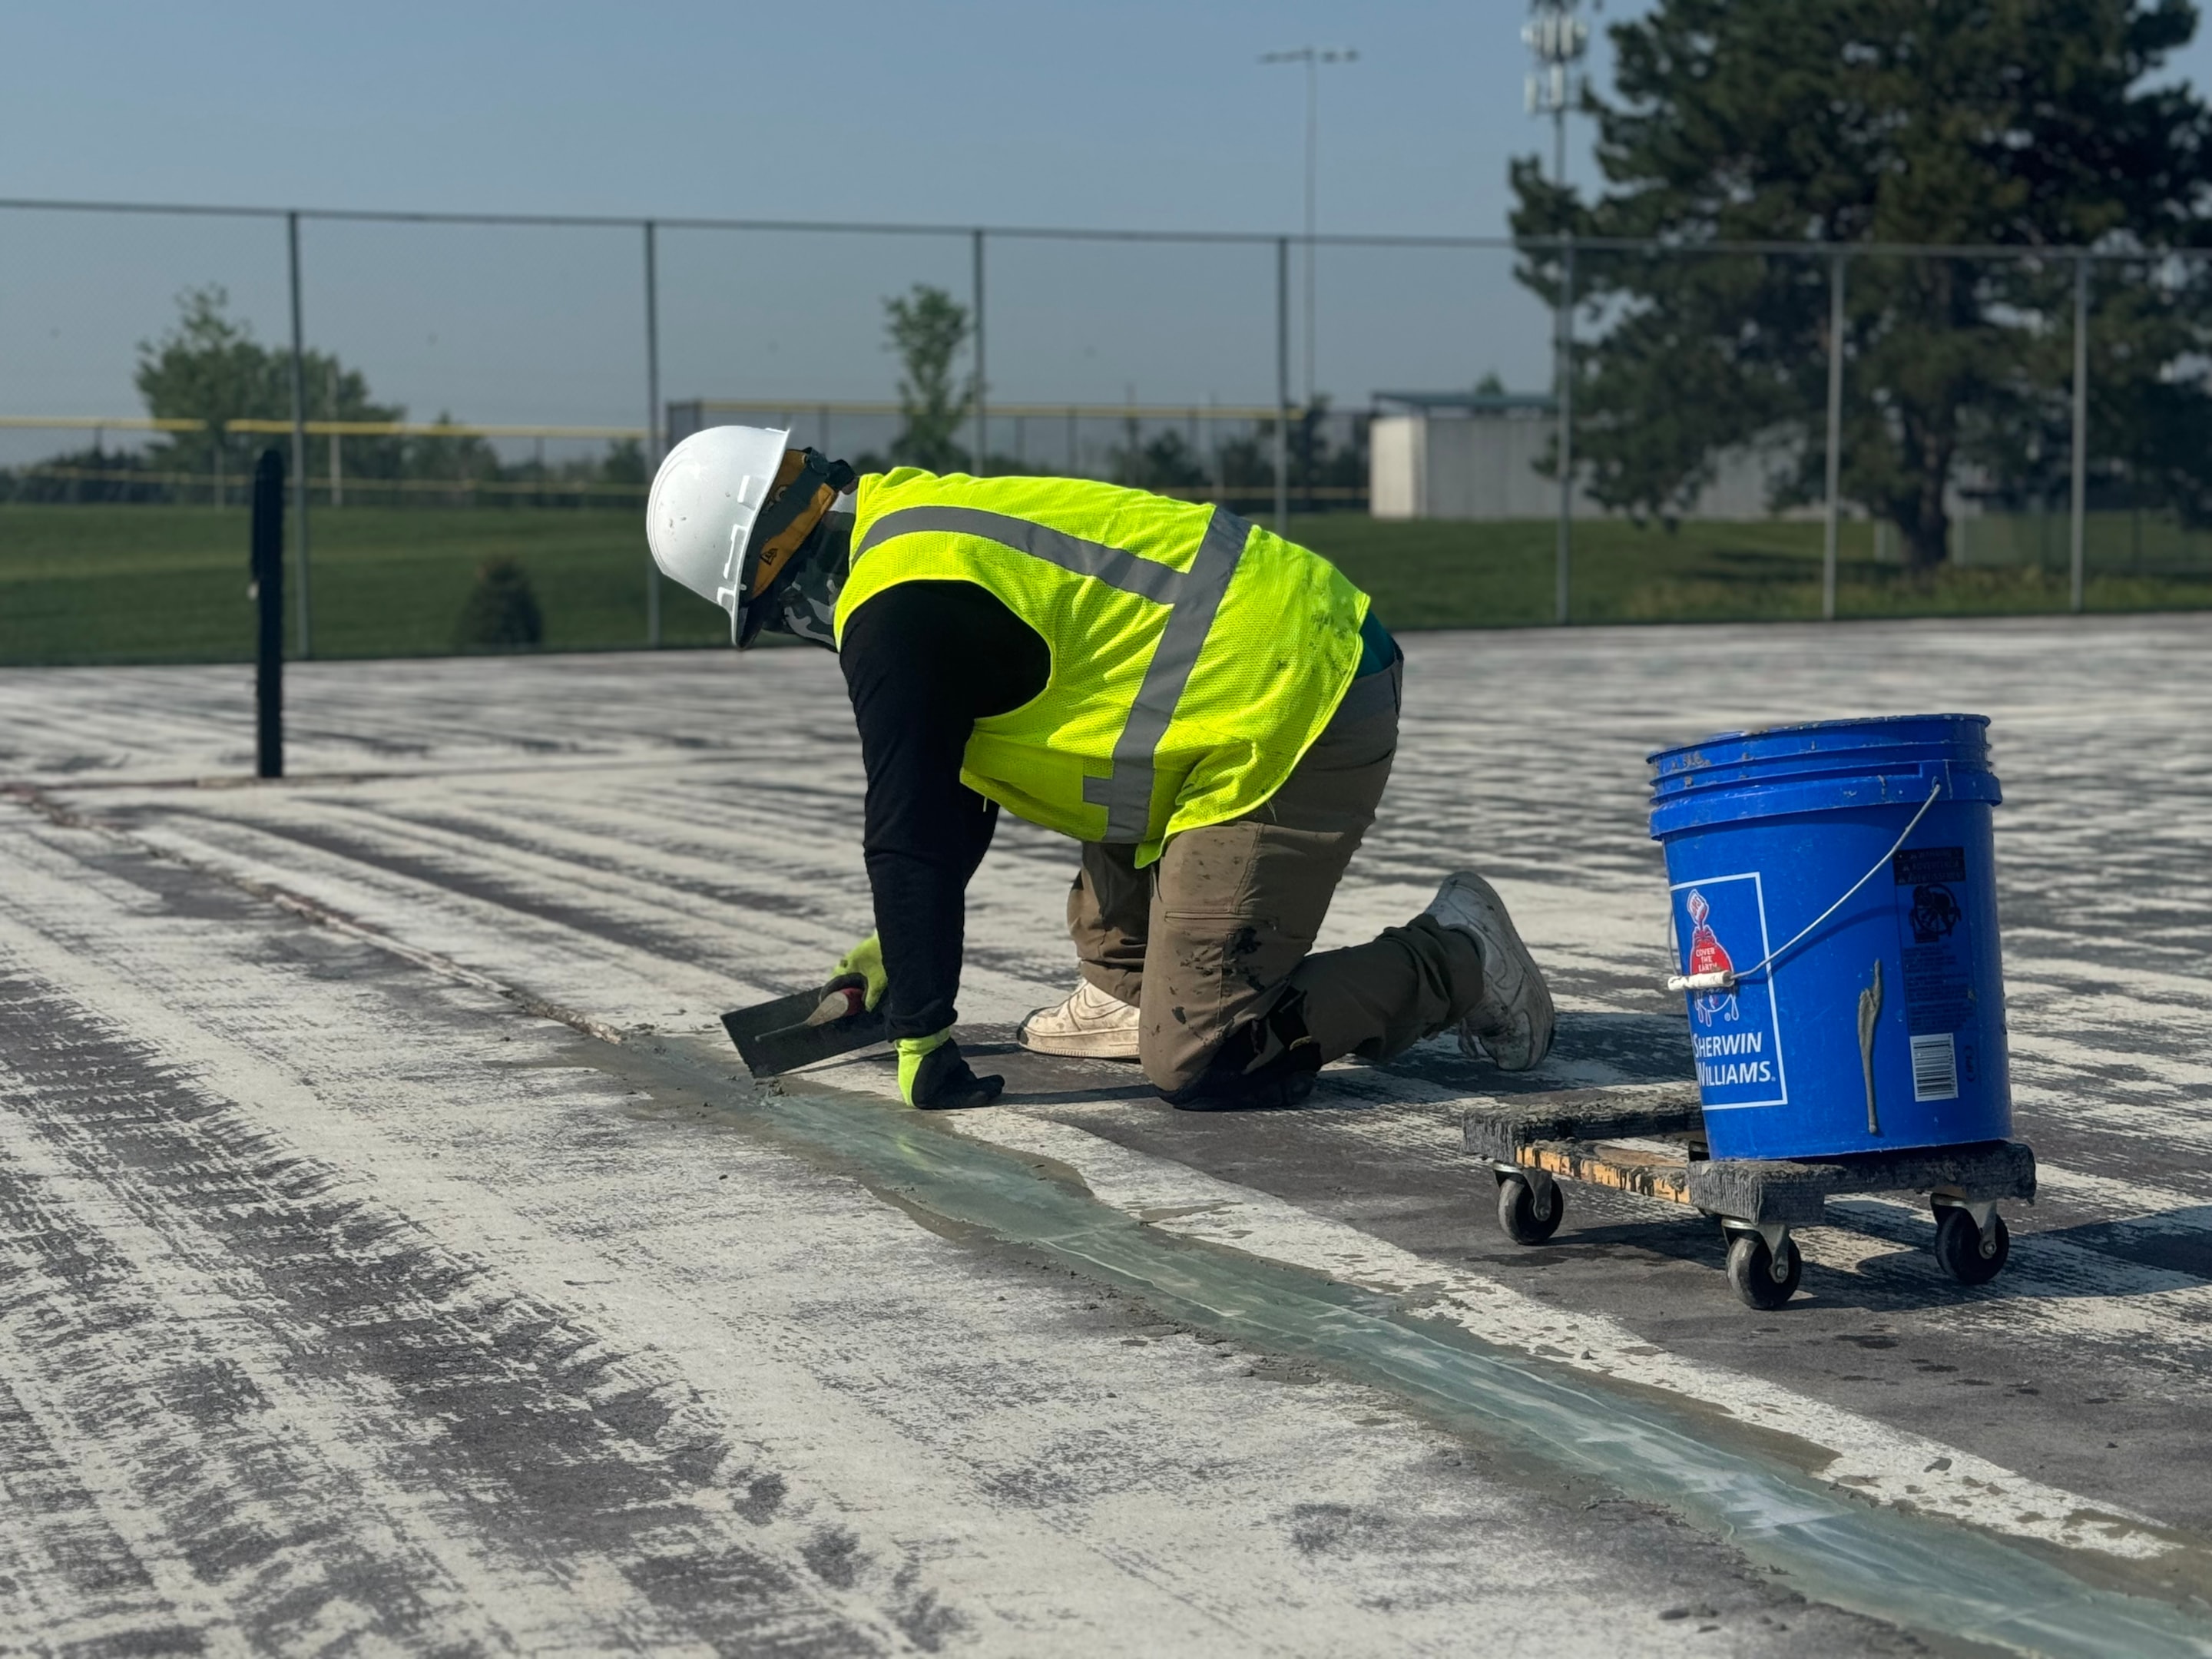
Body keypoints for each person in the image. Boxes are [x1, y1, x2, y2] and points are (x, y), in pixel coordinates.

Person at [646, 425, 1555, 1110]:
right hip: (1240, 685)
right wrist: (901, 954)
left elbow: (911, 835)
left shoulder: (892, 616)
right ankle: (1136, 996)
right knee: (1115, 953)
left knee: (1205, 1058)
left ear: (781, 577)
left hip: (1294, 703)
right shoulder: (911, 526)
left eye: (777, 616)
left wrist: (922, 1034)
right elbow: (950, 794)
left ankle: (1460, 957)